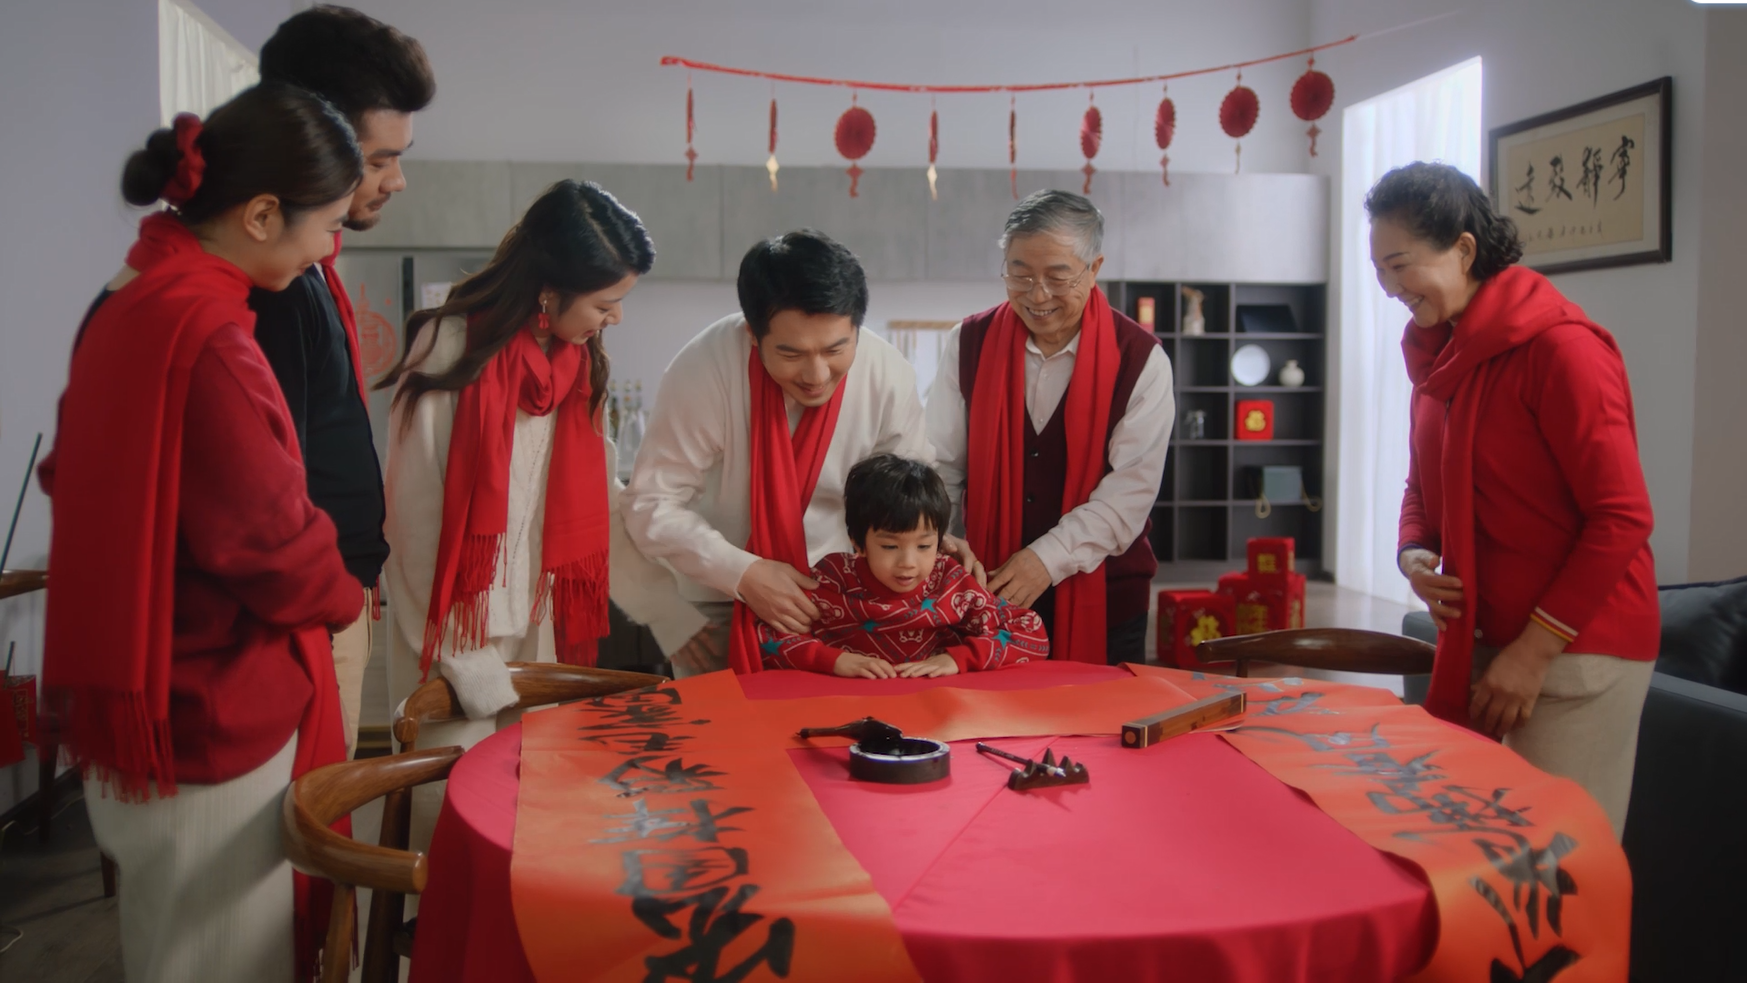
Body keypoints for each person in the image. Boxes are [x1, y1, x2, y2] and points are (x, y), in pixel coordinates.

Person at [39, 85, 365, 983]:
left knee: (168, 942)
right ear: (261, 215)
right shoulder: (207, 333)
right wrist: (343, 593)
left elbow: (69, 469)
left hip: (140, 685)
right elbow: (270, 537)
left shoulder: (134, 289)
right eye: (327, 225)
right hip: (207, 699)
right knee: (223, 955)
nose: (328, 248)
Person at [1371, 161, 1659, 838]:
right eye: (1378, 270)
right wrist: (1414, 555)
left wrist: (1530, 655)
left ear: (1463, 248)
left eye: (1400, 265)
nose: (1388, 288)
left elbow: (1621, 516)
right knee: (1473, 853)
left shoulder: (1561, 350)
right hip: (1480, 638)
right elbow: (1421, 487)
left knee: (1554, 863)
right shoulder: (1439, 361)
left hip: (1575, 650)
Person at [379, 179, 706, 742]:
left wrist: (668, 612)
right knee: (449, 789)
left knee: (530, 790)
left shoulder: (577, 366)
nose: (616, 318)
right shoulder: (448, 347)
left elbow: (600, 508)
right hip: (452, 644)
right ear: (549, 293)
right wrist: (468, 662)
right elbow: (413, 522)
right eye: (605, 303)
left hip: (536, 635)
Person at [623, 230, 977, 676]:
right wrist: (743, 574)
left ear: (856, 327)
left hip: (845, 601)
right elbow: (650, 502)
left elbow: (907, 486)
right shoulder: (704, 369)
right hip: (719, 594)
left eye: (835, 349)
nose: (817, 374)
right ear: (753, 334)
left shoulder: (885, 372)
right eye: (791, 354)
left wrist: (935, 538)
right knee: (725, 719)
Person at [254, 4, 437, 754]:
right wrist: (334, 594)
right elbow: (268, 490)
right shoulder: (273, 286)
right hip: (304, 616)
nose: (398, 180)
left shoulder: (305, 272)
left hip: (331, 601)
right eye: (380, 159)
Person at [927, 190, 1174, 665]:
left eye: (1057, 277)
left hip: (1104, 596)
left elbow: (1130, 493)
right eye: (1019, 275)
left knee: (1093, 711)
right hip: (982, 588)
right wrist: (939, 545)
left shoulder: (1140, 360)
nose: (1037, 295)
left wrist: (1046, 559)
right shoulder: (969, 343)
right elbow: (941, 464)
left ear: (1094, 268)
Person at [758, 454, 1047, 678]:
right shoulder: (833, 579)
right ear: (857, 542)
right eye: (890, 547)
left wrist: (958, 659)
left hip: (936, 709)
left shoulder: (950, 582)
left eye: (924, 546)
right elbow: (767, 635)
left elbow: (1031, 632)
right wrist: (834, 661)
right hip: (847, 706)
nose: (908, 564)